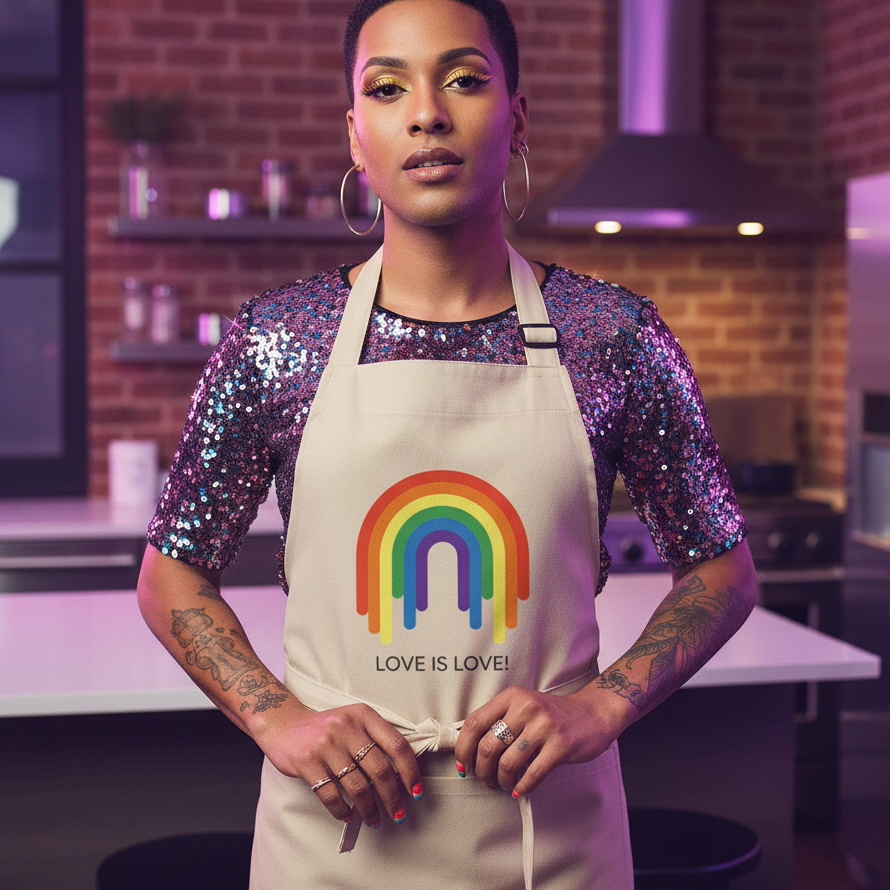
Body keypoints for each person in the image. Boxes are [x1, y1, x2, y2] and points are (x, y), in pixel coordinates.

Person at [137, 0, 757, 887]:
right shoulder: (276, 339)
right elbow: (171, 576)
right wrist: (278, 718)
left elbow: (722, 574)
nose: (427, 113)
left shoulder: (615, 336)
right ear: (356, 137)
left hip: (552, 842)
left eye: (464, 79)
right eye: (388, 89)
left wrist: (603, 706)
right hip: (332, 841)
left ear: (517, 117)